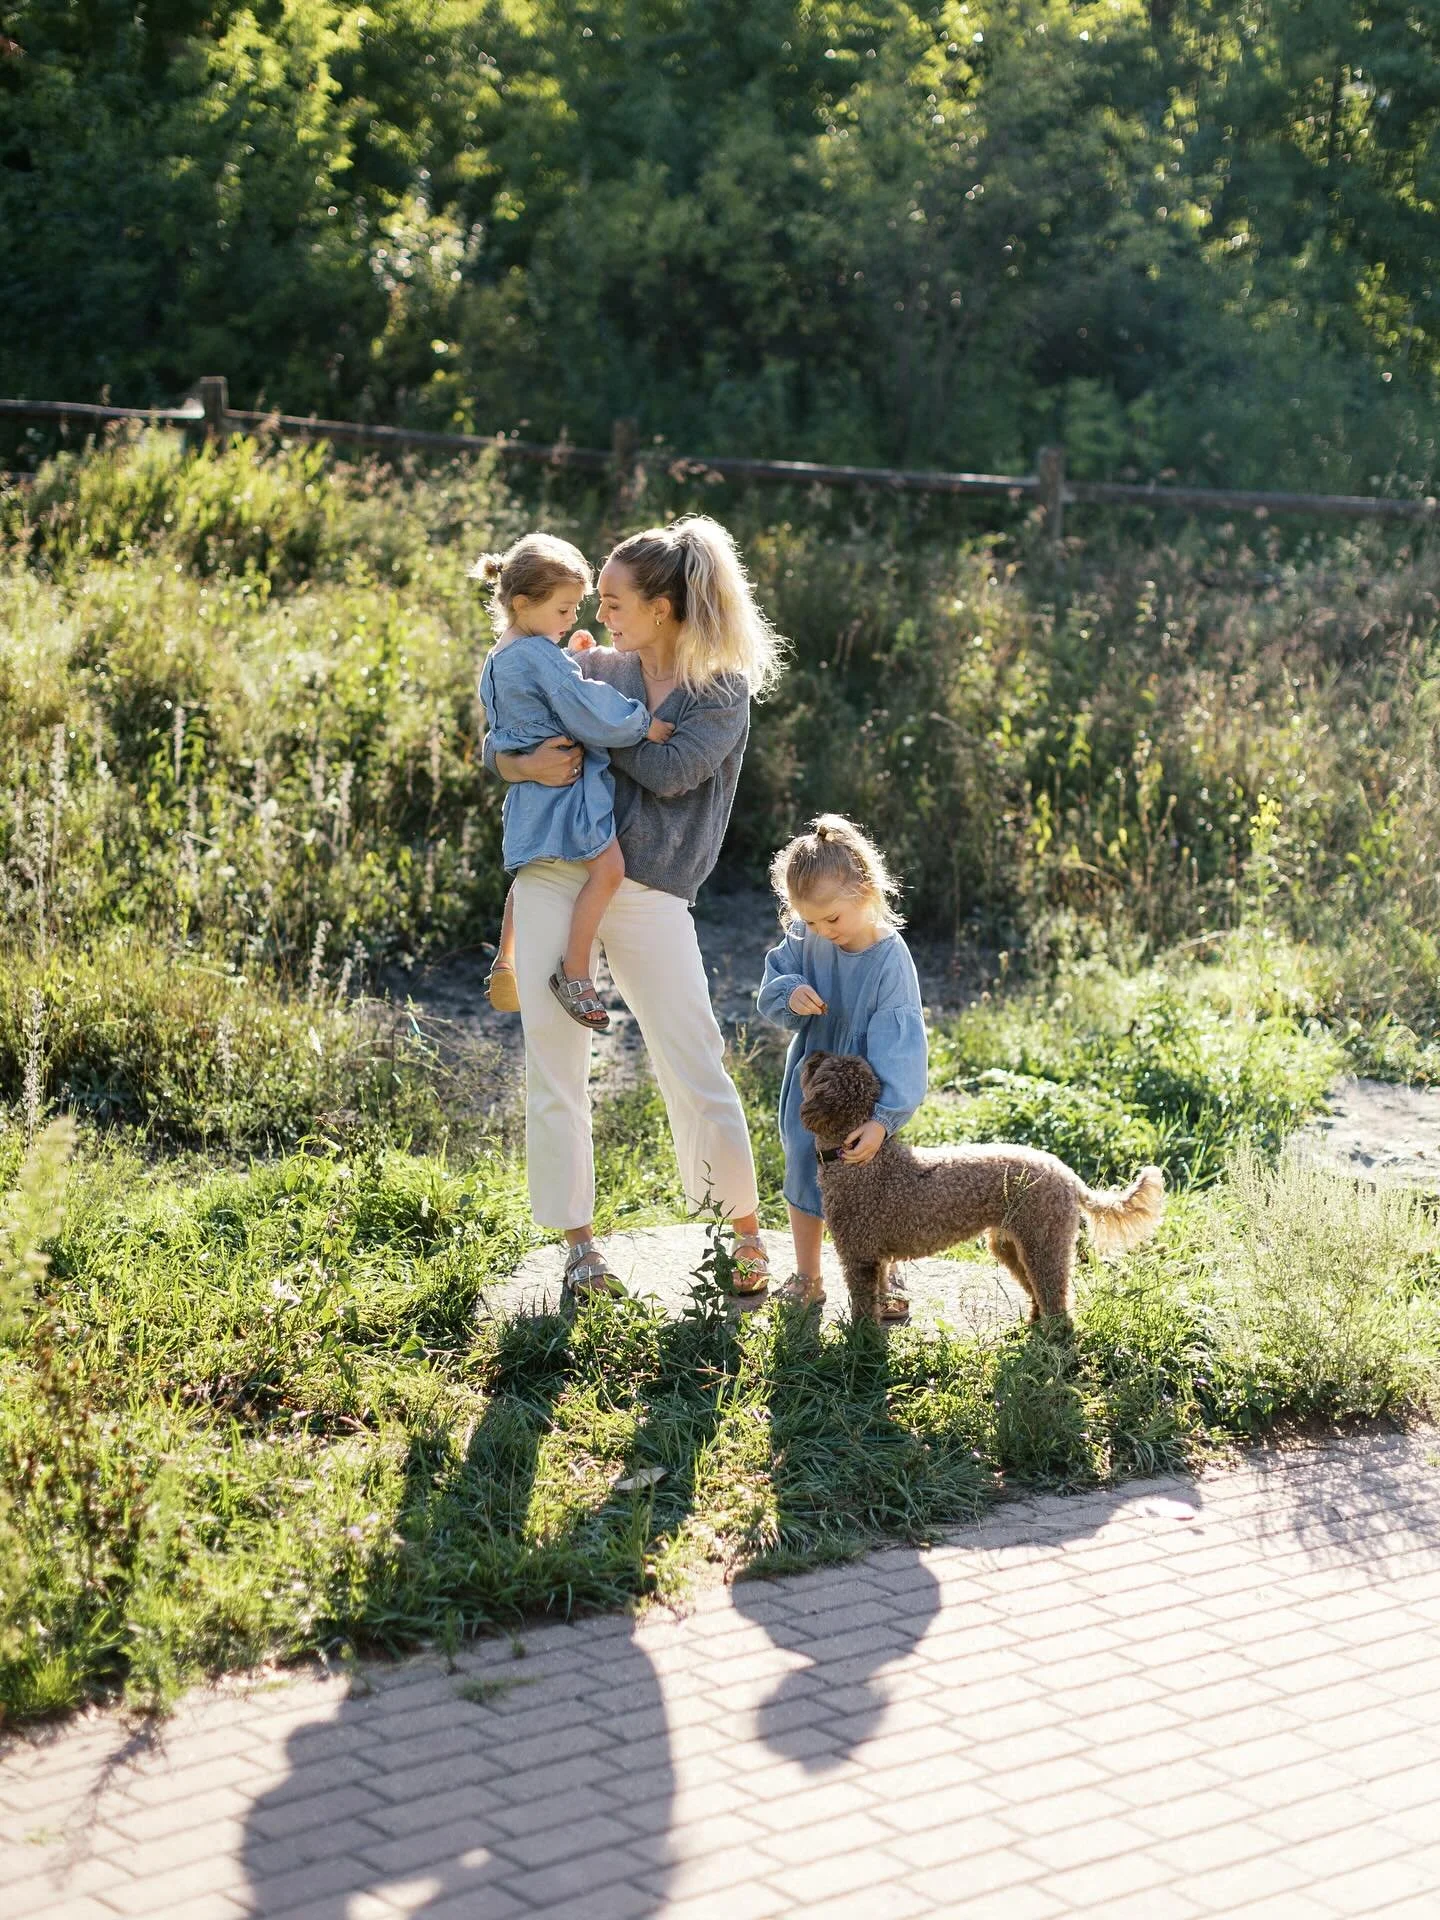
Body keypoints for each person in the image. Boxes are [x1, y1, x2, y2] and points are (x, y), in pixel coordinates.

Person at [484, 514, 785, 1303]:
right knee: (556, 1065)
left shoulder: (720, 691)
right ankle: (579, 1245)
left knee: (694, 1057)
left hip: (649, 887)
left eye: (614, 599)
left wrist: (581, 727)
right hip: (557, 872)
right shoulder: (595, 670)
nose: (599, 614)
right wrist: (516, 761)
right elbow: (512, 718)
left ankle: (742, 1231)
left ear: (665, 606)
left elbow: (671, 771)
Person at [475, 533, 674, 1032]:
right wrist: (640, 722)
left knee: (531, 876)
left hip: (529, 796)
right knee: (607, 871)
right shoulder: (539, 655)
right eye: (565, 611)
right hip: (567, 791)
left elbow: (529, 707)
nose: (572, 620)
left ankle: (506, 958)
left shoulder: (499, 658)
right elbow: (583, 705)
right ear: (523, 603)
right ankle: (576, 972)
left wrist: (576, 655)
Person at [756, 814, 928, 1316]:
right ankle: (808, 1275)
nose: (821, 931)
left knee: (870, 1180)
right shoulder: (807, 938)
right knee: (802, 1167)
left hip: (864, 1090)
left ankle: (884, 1273)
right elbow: (774, 983)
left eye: (831, 919)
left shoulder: (889, 960)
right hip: (812, 1081)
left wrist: (883, 1119)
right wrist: (791, 993)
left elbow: (902, 1048)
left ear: (866, 891)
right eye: (809, 921)